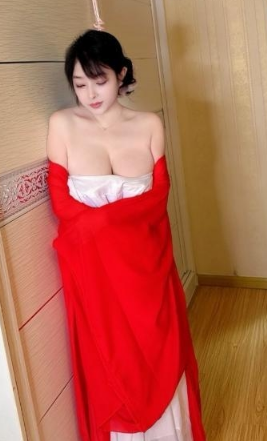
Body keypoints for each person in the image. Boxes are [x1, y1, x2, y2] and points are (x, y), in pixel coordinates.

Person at [47, 29, 206, 441]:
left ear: (121, 74)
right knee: (111, 362)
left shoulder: (149, 124)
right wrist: (104, 226)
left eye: (99, 81)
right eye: (80, 84)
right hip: (95, 275)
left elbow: (158, 197)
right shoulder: (62, 125)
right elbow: (61, 203)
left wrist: (103, 223)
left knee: (157, 350)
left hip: (147, 268)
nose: (90, 94)